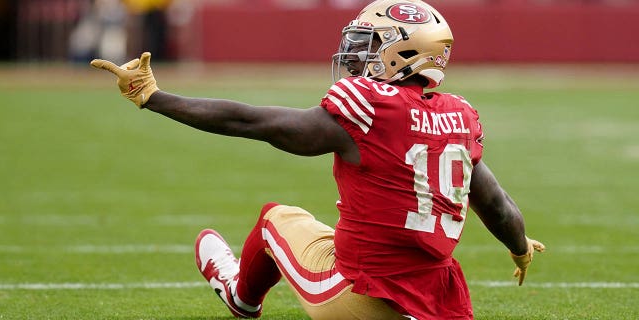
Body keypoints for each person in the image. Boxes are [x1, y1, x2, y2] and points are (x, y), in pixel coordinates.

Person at [90, 0, 545, 319]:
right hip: (444, 300)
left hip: (361, 294)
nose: (356, 53)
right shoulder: (460, 114)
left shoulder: (369, 104)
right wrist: (520, 247)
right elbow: (497, 205)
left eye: (370, 44)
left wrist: (155, 97)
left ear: (403, 54)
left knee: (275, 218)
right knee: (329, 232)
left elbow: (256, 123)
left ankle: (239, 298)